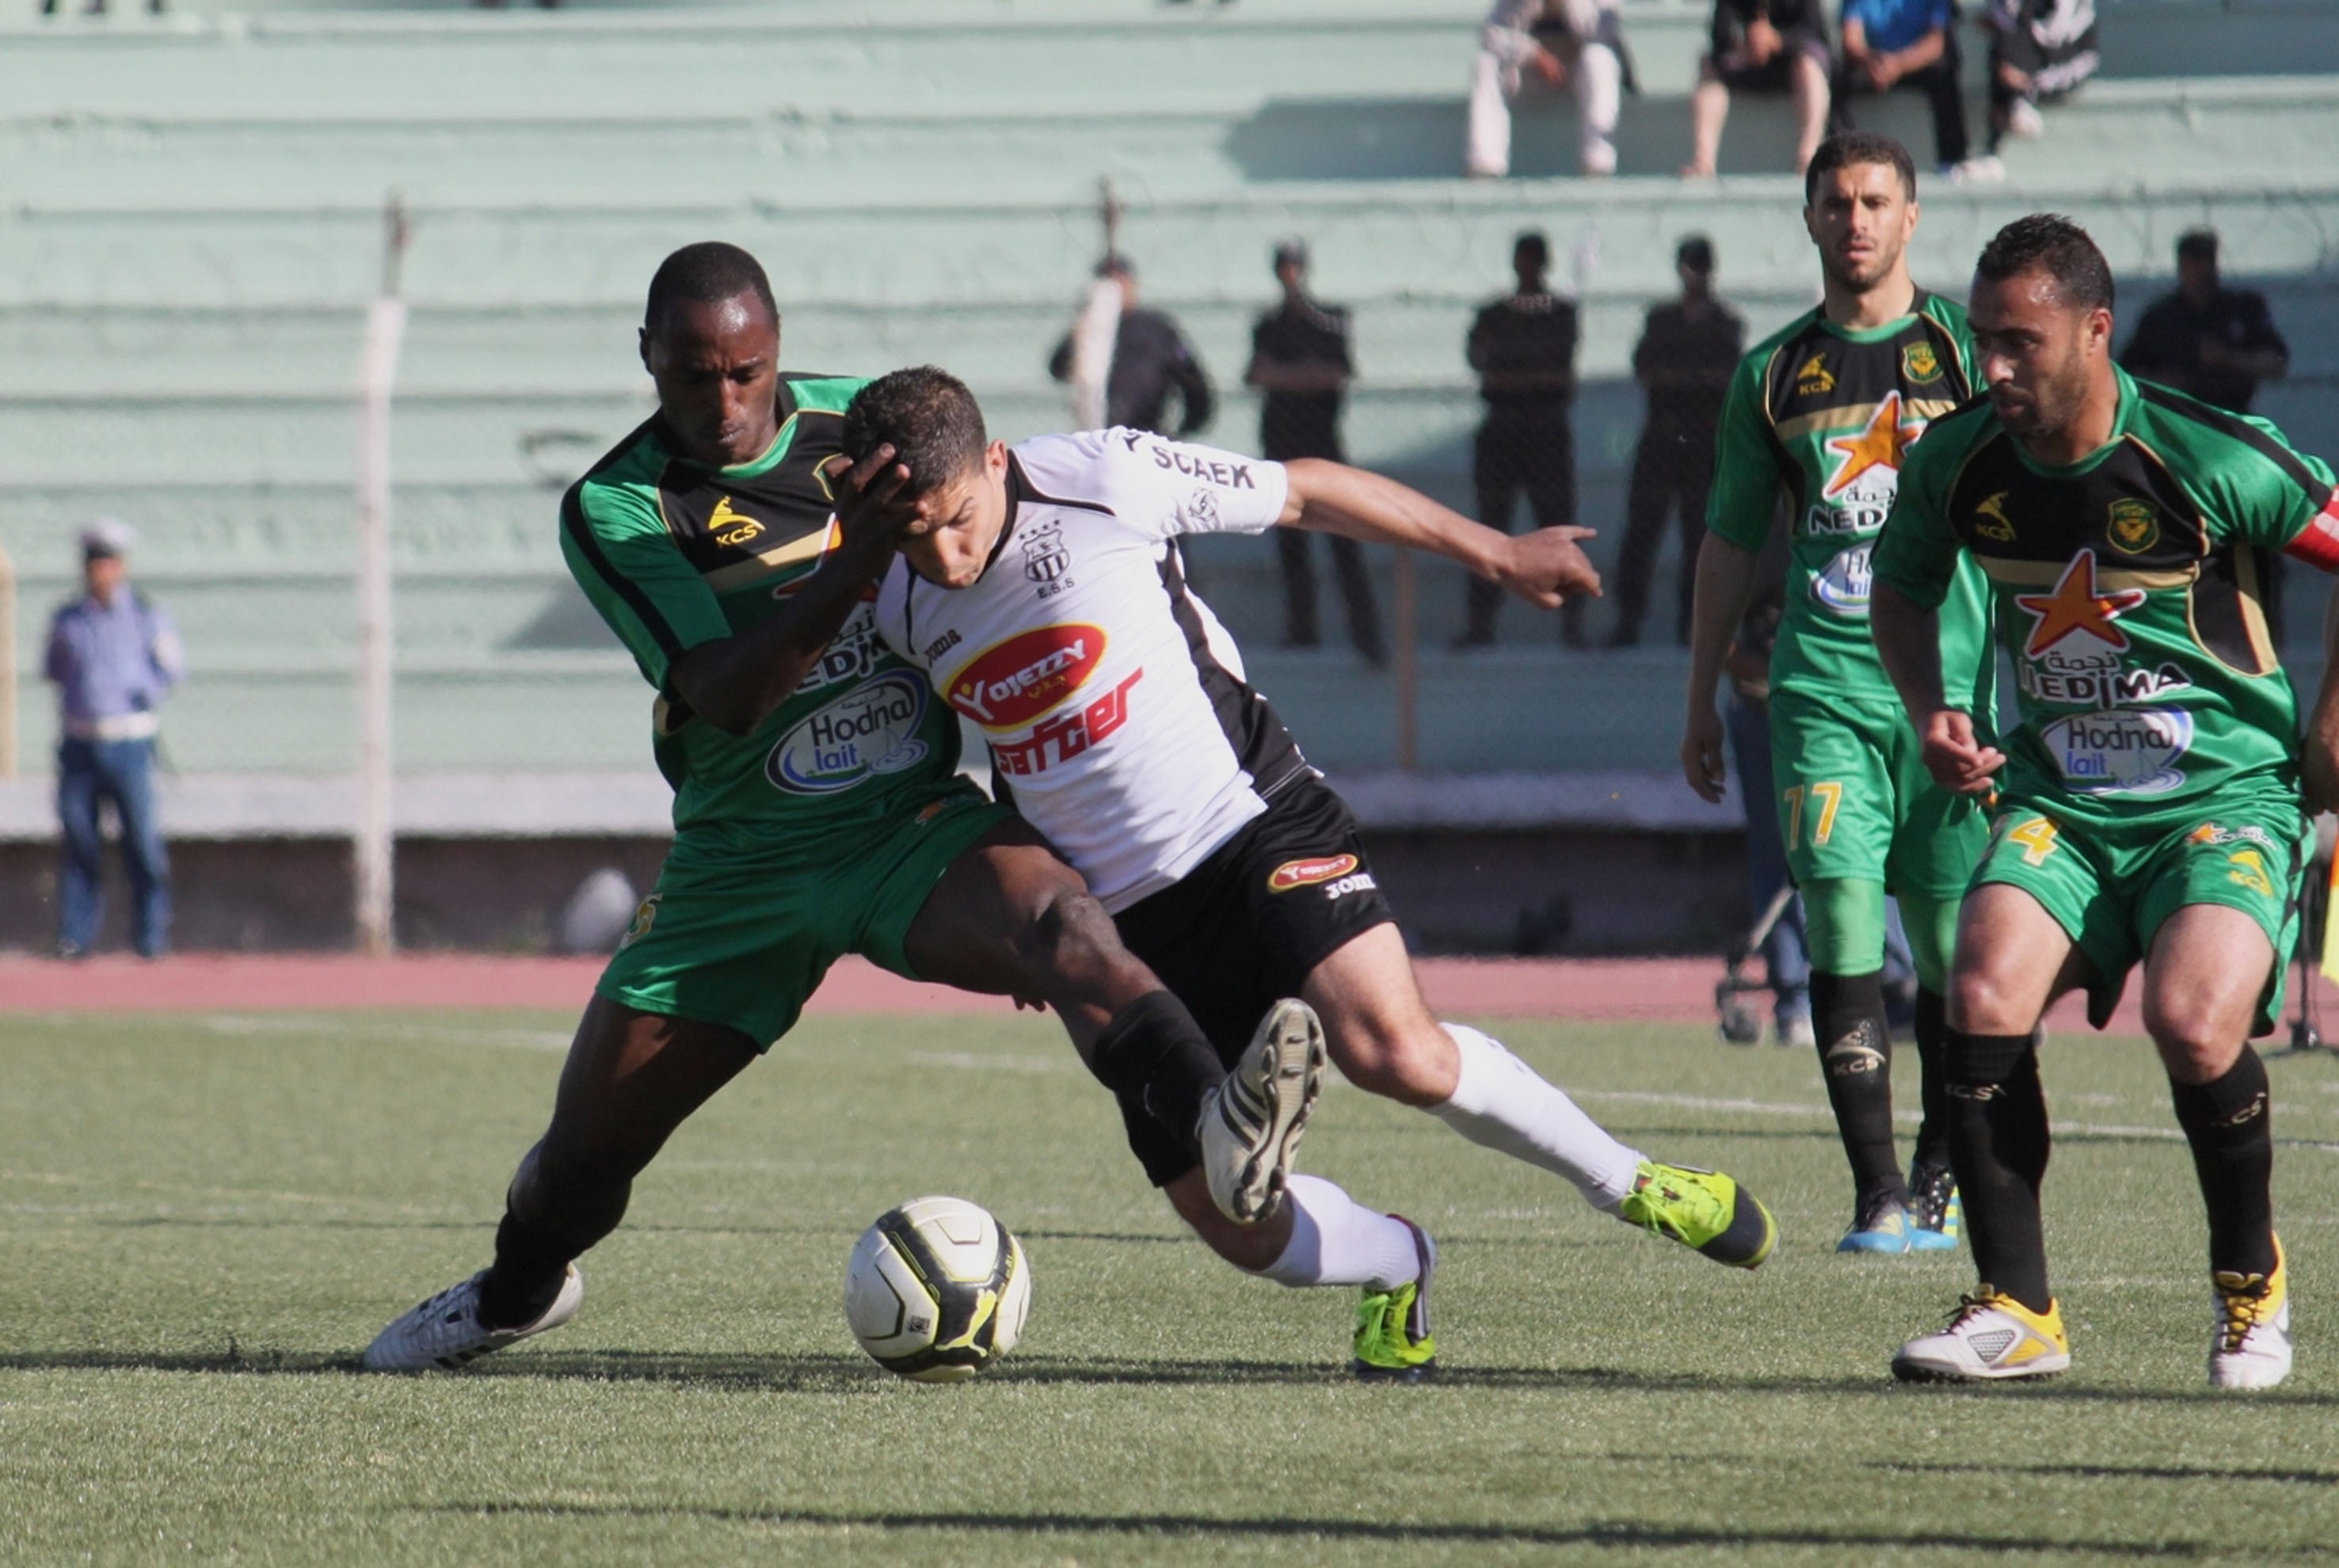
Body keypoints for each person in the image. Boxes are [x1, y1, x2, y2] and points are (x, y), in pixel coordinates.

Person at [362, 244, 1316, 1373]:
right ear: (648, 361)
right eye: (690, 376)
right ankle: (515, 1294)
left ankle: (1223, 1124)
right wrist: (850, 566)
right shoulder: (619, 506)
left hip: (907, 828)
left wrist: (1029, 814)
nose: (722, 402)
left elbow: (1000, 581)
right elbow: (725, 695)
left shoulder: (858, 430)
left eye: (746, 372)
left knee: (1067, 929)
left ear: (778, 352)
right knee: (583, 1161)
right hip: (741, 868)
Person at [846, 365, 1781, 1380]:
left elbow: (1306, 490)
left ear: (995, 460)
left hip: (1251, 825)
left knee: (1392, 1051)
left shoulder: (1105, 477)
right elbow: (988, 755)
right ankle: (1397, 1259)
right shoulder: (892, 603)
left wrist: (1496, 552)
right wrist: (1033, 929)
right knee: (1238, 1226)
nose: (944, 554)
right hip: (1117, 933)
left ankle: (1633, 1181)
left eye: (958, 521)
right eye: (913, 535)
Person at [1872, 213, 2339, 1388]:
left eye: (2020, 343)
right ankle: (2017, 1313)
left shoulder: (2207, 453)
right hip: (2063, 805)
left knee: (2191, 1025)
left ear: (2094, 331)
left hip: (2219, 799)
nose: (1993, 369)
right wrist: (1931, 710)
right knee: (1973, 992)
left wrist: (2331, 725)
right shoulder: (1955, 461)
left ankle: (2250, 1293)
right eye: (1982, 341)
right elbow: (1900, 585)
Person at [1681, 133, 1990, 1256]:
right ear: (1809, 219)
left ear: (1910, 217)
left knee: (1958, 955)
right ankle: (1876, 1198)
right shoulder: (1772, 374)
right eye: (1835, 203)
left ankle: (1943, 1171)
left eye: (1874, 201)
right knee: (1841, 924)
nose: (1855, 220)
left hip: (1953, 702)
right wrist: (1700, 689)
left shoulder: (1969, 349)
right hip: (1822, 688)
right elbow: (1727, 540)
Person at [44, 519, 182, 961]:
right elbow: (55, 670)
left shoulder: (145, 616)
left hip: (129, 743)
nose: (98, 571)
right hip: (81, 743)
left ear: (120, 566)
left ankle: (150, 937)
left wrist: (142, 693)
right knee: (80, 840)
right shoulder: (68, 619)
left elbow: (171, 668)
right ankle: (76, 937)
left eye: (106, 562)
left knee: (141, 842)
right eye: (91, 562)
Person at [1246, 240, 1383, 664]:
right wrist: (1303, 375)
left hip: (1323, 445)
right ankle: (1302, 630)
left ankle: (1367, 636)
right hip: (1283, 448)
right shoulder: (1269, 324)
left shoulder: (1329, 319)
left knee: (1344, 539)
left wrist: (1288, 376)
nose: (1290, 273)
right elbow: (1257, 374)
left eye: (1294, 265)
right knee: (1293, 547)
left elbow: (1335, 374)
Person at [1610, 236, 1743, 648]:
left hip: (1701, 438)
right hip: (1664, 434)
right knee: (1642, 530)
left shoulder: (1724, 323)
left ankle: (1693, 622)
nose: (1694, 274)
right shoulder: (1663, 319)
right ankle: (1629, 619)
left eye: (1700, 266)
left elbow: (1724, 377)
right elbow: (1647, 368)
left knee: (1698, 537)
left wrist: (1682, 377)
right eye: (1690, 265)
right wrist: (1692, 378)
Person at [1465, 231, 1585, 648]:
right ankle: (1480, 623)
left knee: (1557, 527)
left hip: (1545, 428)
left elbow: (1558, 371)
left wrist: (1515, 370)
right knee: (1489, 529)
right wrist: (1527, 371)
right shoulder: (1495, 313)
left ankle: (1573, 622)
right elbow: (1482, 361)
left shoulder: (1559, 313)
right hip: (1504, 428)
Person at [2120, 230, 2291, 420]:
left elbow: (2276, 363)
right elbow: (2129, 372)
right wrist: (2162, 383)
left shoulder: (2241, 310)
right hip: (2180, 419)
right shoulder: (2162, 318)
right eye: (2194, 263)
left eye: (2207, 261)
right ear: (2182, 266)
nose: (2202, 270)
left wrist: (2228, 358)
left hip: (2231, 417)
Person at [1048, 255, 1213, 438]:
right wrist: (1077, 335)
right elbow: (1058, 369)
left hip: (1145, 432)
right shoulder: (1090, 328)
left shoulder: (1156, 329)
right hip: (1098, 432)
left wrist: (1185, 429)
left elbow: (1192, 380)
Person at [1466, 0, 1632, 180]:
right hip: (1532, 74)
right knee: (1487, 65)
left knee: (1600, 59)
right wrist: (1533, 53)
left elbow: (1603, 35)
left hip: (1577, 74)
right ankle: (1485, 168)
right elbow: (1489, 35)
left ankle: (1598, 167)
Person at [1685, 0, 1831, 178]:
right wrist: (1747, 43)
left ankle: (1808, 158)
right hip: (1746, 64)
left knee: (1810, 66)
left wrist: (1777, 40)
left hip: (1790, 66)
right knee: (1708, 67)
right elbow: (1720, 35)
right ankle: (1703, 162)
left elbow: (1815, 34)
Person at [1829, 0, 1972, 176]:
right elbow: (1851, 40)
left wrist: (1898, 65)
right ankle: (1841, 159)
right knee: (1838, 81)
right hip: (1875, 64)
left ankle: (1952, 161)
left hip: (1917, 63)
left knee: (1945, 76)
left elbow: (1936, 42)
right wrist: (1873, 62)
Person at [1982, 0, 2098, 155]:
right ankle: (2014, 109)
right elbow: (2007, 22)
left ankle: (2017, 106)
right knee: (2005, 48)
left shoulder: (2076, 9)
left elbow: (2082, 55)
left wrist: (2031, 82)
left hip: (2063, 68)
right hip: (2022, 72)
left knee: (2011, 46)